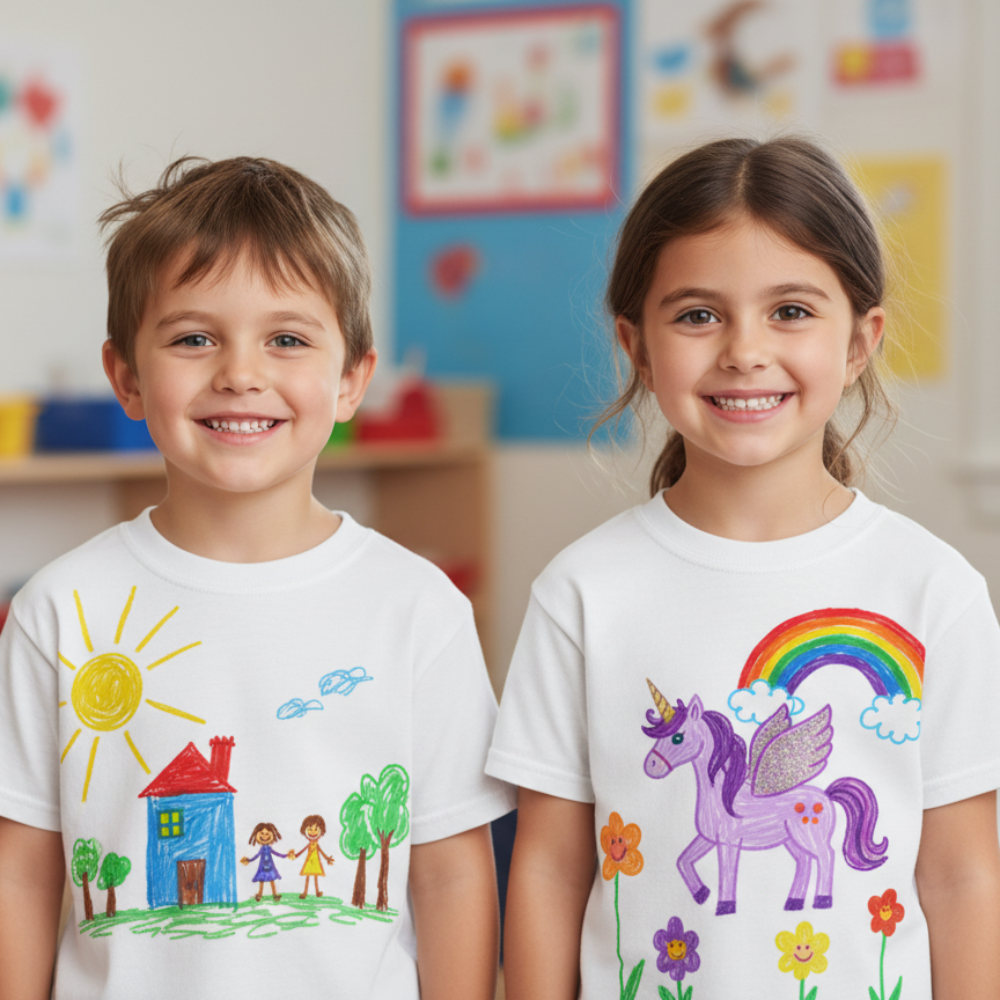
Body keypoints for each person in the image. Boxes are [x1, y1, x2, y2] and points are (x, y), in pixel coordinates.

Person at [487, 136, 1000, 1000]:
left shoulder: (932, 589)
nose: (744, 351)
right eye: (697, 315)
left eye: (791, 311)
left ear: (860, 340)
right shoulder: (582, 592)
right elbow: (544, 871)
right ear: (637, 346)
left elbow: (959, 876)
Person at [0, 156, 514, 1000]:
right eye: (194, 338)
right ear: (125, 375)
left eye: (287, 339)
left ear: (352, 378)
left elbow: (453, 874)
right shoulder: (57, 610)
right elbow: (21, 871)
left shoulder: (420, 609)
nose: (241, 373)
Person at [241, 821, 288, 902]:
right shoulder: (262, 848)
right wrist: (249, 860)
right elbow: (257, 856)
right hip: (262, 867)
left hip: (270, 867)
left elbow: (277, 853)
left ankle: (275, 895)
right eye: (262, 834)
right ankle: (259, 895)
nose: (264, 836)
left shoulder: (268, 848)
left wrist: (285, 855)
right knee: (262, 881)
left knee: (272, 880)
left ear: (271, 835)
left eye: (267, 834)